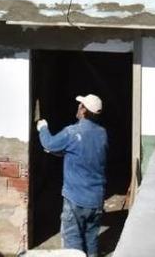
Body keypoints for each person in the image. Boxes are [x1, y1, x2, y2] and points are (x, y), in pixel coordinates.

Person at [37, 94, 107, 257]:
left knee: (72, 244)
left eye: (80, 105)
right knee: (91, 240)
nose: (78, 107)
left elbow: (48, 143)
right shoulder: (102, 134)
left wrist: (43, 128)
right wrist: (63, 152)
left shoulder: (72, 132)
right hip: (96, 199)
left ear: (83, 110)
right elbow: (85, 153)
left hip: (75, 199)